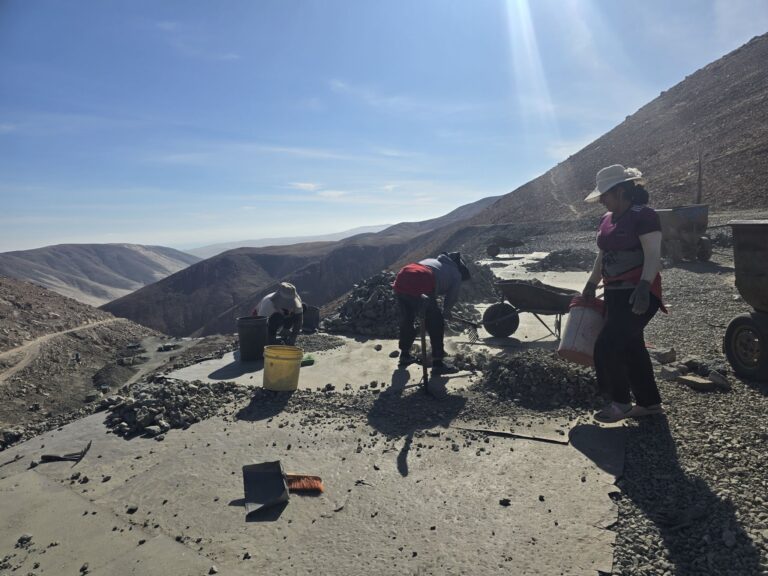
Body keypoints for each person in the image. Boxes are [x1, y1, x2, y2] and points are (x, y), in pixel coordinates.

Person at [582, 164, 667, 423]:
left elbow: (653, 254)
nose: (602, 202)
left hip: (638, 293)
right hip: (615, 294)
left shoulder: (644, 216)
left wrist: (643, 286)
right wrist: (591, 282)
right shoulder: (607, 220)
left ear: (619, 192)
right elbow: (603, 254)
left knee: (607, 345)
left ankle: (620, 402)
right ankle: (649, 403)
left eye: (604, 196)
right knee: (632, 347)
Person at [392, 252, 471, 375]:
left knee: (407, 319)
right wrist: (447, 311)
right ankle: (438, 364)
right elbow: (452, 297)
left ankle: (405, 355)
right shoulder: (456, 274)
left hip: (402, 277)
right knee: (436, 323)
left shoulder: (435, 262)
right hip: (421, 278)